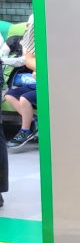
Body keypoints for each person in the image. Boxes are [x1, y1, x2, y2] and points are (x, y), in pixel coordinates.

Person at [4, 14, 36, 149]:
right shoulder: (24, 38)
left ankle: (25, 130)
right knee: (9, 95)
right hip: (32, 79)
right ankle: (32, 123)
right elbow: (28, 59)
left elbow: (24, 60)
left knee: (24, 98)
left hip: (40, 82)